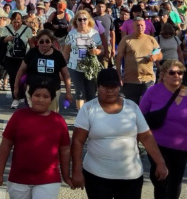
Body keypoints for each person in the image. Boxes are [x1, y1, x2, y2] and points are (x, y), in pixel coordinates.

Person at [70, 68, 168, 199]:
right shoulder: (88, 109)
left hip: (131, 177)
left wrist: (160, 162)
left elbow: (146, 136)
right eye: (105, 86)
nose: (110, 91)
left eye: (114, 86)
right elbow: (77, 141)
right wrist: (77, 171)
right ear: (98, 87)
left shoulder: (132, 107)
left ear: (119, 86)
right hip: (96, 177)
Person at [0, 82, 72, 199]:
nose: (41, 99)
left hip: (48, 180)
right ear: (30, 96)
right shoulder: (18, 116)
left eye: (46, 97)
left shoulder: (58, 121)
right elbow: (5, 145)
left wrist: (66, 176)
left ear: (52, 100)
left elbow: (65, 150)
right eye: (37, 95)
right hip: (18, 178)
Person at [140, 60, 187, 199]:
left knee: (175, 182)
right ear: (163, 75)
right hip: (157, 145)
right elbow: (139, 116)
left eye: (180, 72)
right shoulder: (153, 91)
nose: (176, 75)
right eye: (172, 72)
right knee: (160, 180)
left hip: (182, 147)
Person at [14, 29, 72, 111]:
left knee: (51, 116)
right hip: (33, 91)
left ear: (51, 42)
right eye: (41, 41)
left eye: (47, 41)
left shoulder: (57, 55)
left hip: (53, 91)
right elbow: (21, 70)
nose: (44, 44)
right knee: (34, 116)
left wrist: (68, 92)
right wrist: (16, 87)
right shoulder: (32, 53)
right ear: (37, 42)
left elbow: (66, 74)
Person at [116, 16, 162, 105]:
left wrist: (155, 57)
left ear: (145, 27)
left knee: (147, 105)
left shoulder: (151, 39)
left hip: (148, 79)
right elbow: (118, 58)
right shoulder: (126, 40)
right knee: (131, 107)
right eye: (137, 25)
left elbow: (160, 54)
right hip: (130, 80)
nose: (140, 27)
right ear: (133, 27)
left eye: (142, 25)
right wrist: (118, 75)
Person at [63, 11, 103, 110]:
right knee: (80, 93)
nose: (82, 21)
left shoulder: (95, 33)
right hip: (75, 67)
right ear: (75, 21)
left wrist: (97, 51)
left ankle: (91, 117)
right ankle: (81, 116)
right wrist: (63, 67)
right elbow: (66, 52)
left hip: (90, 68)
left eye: (84, 19)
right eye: (79, 19)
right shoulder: (72, 34)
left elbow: (102, 49)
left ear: (88, 20)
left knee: (91, 93)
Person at [0, 12, 33, 108]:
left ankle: (22, 94)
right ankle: (15, 98)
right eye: (14, 22)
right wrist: (7, 39)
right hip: (10, 57)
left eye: (18, 21)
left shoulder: (27, 30)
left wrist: (33, 56)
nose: (16, 24)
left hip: (23, 58)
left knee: (23, 78)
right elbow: (0, 42)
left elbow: (31, 44)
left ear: (21, 20)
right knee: (13, 78)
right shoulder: (6, 29)